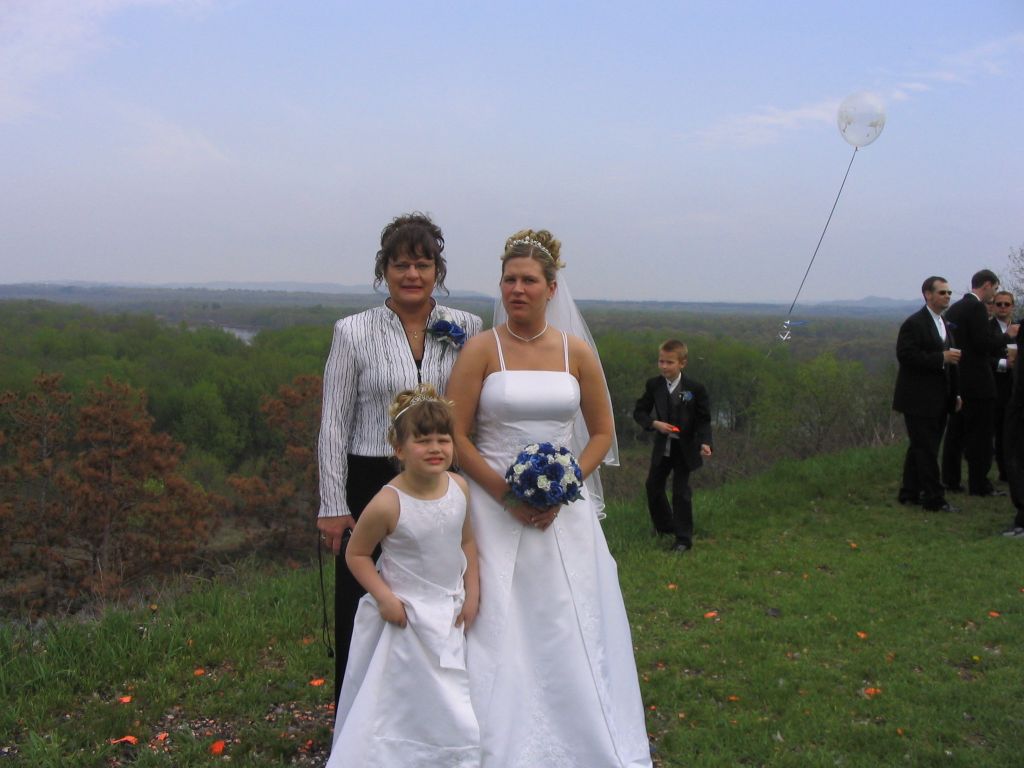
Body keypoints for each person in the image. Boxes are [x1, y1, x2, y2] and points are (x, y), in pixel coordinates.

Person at [448, 229, 652, 768]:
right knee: (498, 620)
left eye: (529, 281)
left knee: (567, 618)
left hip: (563, 516)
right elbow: (456, 435)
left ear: (551, 288)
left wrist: (565, 486)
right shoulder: (480, 350)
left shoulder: (575, 351)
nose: (518, 289)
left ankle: (580, 732)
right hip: (493, 510)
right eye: (509, 279)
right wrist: (505, 495)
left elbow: (604, 434)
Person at [317, 212, 483, 702]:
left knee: (437, 596)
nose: (412, 274)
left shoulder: (466, 327)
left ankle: (436, 708)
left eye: (423, 264)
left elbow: (475, 410)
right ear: (383, 270)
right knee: (363, 599)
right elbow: (333, 421)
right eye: (401, 264)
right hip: (371, 476)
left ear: (438, 271)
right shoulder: (352, 332)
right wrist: (332, 503)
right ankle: (359, 714)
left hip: (439, 478)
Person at [327, 386, 481, 767]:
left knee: (452, 691)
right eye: (422, 439)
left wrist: (473, 592)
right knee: (405, 694)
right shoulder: (387, 503)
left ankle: (453, 750)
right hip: (406, 614)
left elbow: (468, 542)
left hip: (451, 607)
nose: (435, 448)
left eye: (443, 439)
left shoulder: (459, 487)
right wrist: (384, 597)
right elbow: (357, 554)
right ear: (399, 449)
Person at [632, 339, 713, 553]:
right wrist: (654, 424)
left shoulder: (694, 388)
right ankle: (665, 527)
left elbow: (704, 419)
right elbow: (639, 412)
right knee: (653, 487)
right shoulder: (654, 385)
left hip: (686, 448)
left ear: (682, 363)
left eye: (669, 362)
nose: (664, 367)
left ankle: (683, 539)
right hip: (663, 447)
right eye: (661, 362)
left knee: (680, 492)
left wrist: (705, 442)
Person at [893, 276, 961, 512]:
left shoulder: (944, 323)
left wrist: (955, 395)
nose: (947, 296)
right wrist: (939, 358)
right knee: (927, 450)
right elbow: (906, 356)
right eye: (942, 292)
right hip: (917, 399)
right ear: (928, 295)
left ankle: (909, 492)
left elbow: (952, 366)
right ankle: (934, 498)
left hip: (940, 398)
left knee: (920, 447)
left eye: (949, 293)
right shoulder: (914, 323)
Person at [940, 269, 1007, 497]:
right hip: (978, 382)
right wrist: (1007, 337)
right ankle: (979, 484)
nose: (994, 295)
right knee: (980, 435)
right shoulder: (977, 307)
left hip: (959, 379)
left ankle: (950, 478)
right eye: (995, 289)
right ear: (987, 285)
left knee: (955, 433)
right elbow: (982, 344)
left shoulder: (956, 308)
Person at [989, 291, 1018, 481]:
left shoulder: (1018, 328)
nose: (1003, 308)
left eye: (1006, 304)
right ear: (992, 306)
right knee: (998, 431)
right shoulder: (986, 329)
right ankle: (1002, 471)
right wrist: (1003, 364)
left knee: (1013, 433)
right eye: (999, 304)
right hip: (994, 386)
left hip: (1016, 388)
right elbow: (980, 358)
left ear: (1012, 307)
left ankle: (1011, 471)